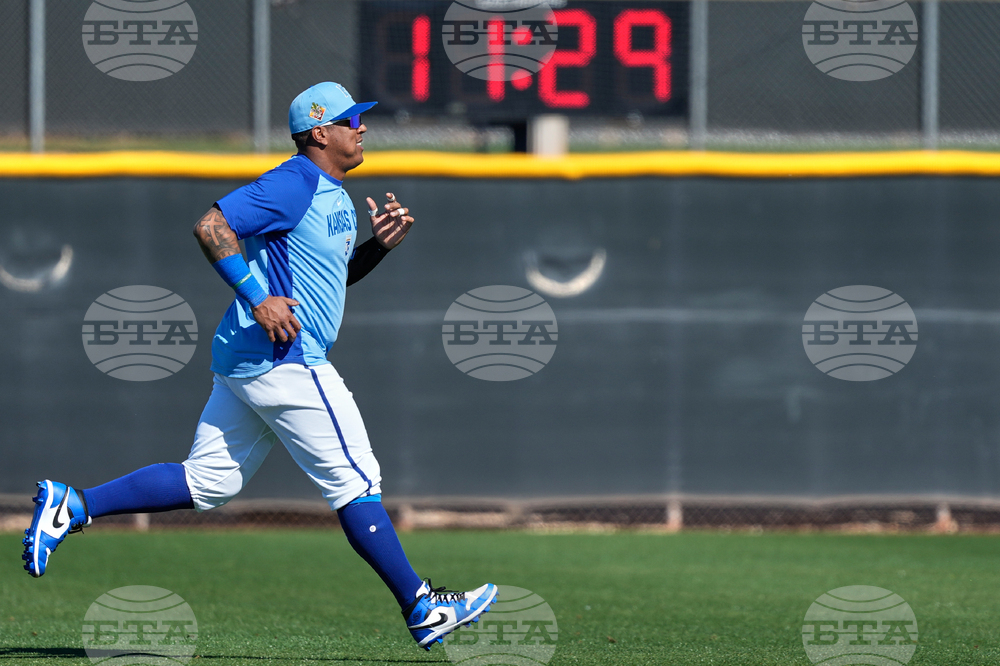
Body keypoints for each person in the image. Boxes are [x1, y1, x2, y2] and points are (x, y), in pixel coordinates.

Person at [20, 82, 497, 651]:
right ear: (320, 132)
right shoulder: (294, 181)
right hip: (286, 357)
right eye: (351, 120)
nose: (362, 127)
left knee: (209, 482)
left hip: (253, 358)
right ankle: (422, 607)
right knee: (355, 479)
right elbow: (212, 227)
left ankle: (73, 505)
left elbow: (326, 281)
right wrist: (255, 295)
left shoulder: (332, 192)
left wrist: (378, 248)